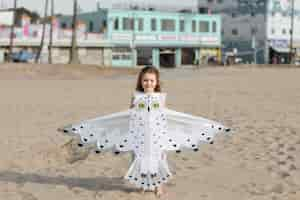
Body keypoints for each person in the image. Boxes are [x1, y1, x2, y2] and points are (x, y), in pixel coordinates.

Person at [59, 66, 231, 198]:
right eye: (145, 81)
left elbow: (164, 115)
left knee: (159, 157)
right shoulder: (136, 96)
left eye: (151, 81)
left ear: (157, 83)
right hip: (138, 133)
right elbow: (129, 114)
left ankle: (158, 186)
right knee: (138, 157)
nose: (148, 83)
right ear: (141, 82)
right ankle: (143, 184)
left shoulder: (160, 97)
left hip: (157, 133)